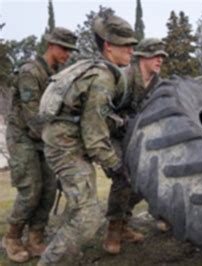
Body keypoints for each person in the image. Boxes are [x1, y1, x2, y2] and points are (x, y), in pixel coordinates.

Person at [38, 15, 137, 265]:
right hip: (66, 146)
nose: (131, 49)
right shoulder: (102, 78)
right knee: (89, 215)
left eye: (132, 43)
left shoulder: (94, 69)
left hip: (63, 140)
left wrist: (120, 123)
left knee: (79, 207)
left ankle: (67, 253)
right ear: (108, 46)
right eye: (125, 44)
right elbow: (94, 136)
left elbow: (91, 114)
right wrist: (117, 166)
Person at [3, 27, 77, 263]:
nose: (68, 54)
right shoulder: (30, 72)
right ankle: (12, 238)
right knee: (30, 189)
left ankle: (36, 237)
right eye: (64, 48)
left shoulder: (58, 73)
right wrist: (59, 139)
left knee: (48, 189)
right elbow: (33, 117)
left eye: (70, 50)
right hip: (23, 136)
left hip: (44, 137)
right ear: (51, 45)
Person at [103, 37, 169, 255]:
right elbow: (101, 112)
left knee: (146, 179)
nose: (160, 60)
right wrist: (123, 122)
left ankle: (124, 223)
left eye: (162, 56)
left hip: (137, 137)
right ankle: (114, 229)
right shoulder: (123, 77)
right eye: (156, 55)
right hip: (111, 135)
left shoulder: (158, 84)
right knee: (122, 176)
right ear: (143, 57)